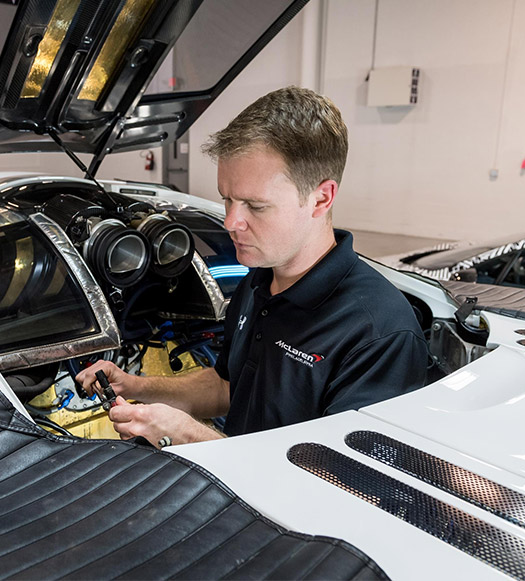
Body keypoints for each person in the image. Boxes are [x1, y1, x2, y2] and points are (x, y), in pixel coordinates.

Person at [76, 86, 428, 447]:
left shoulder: (378, 333)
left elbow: (336, 483)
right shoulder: (258, 282)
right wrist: (136, 386)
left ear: (321, 198)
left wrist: (189, 435)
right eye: (226, 199)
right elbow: (229, 387)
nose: (230, 222)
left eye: (255, 206)